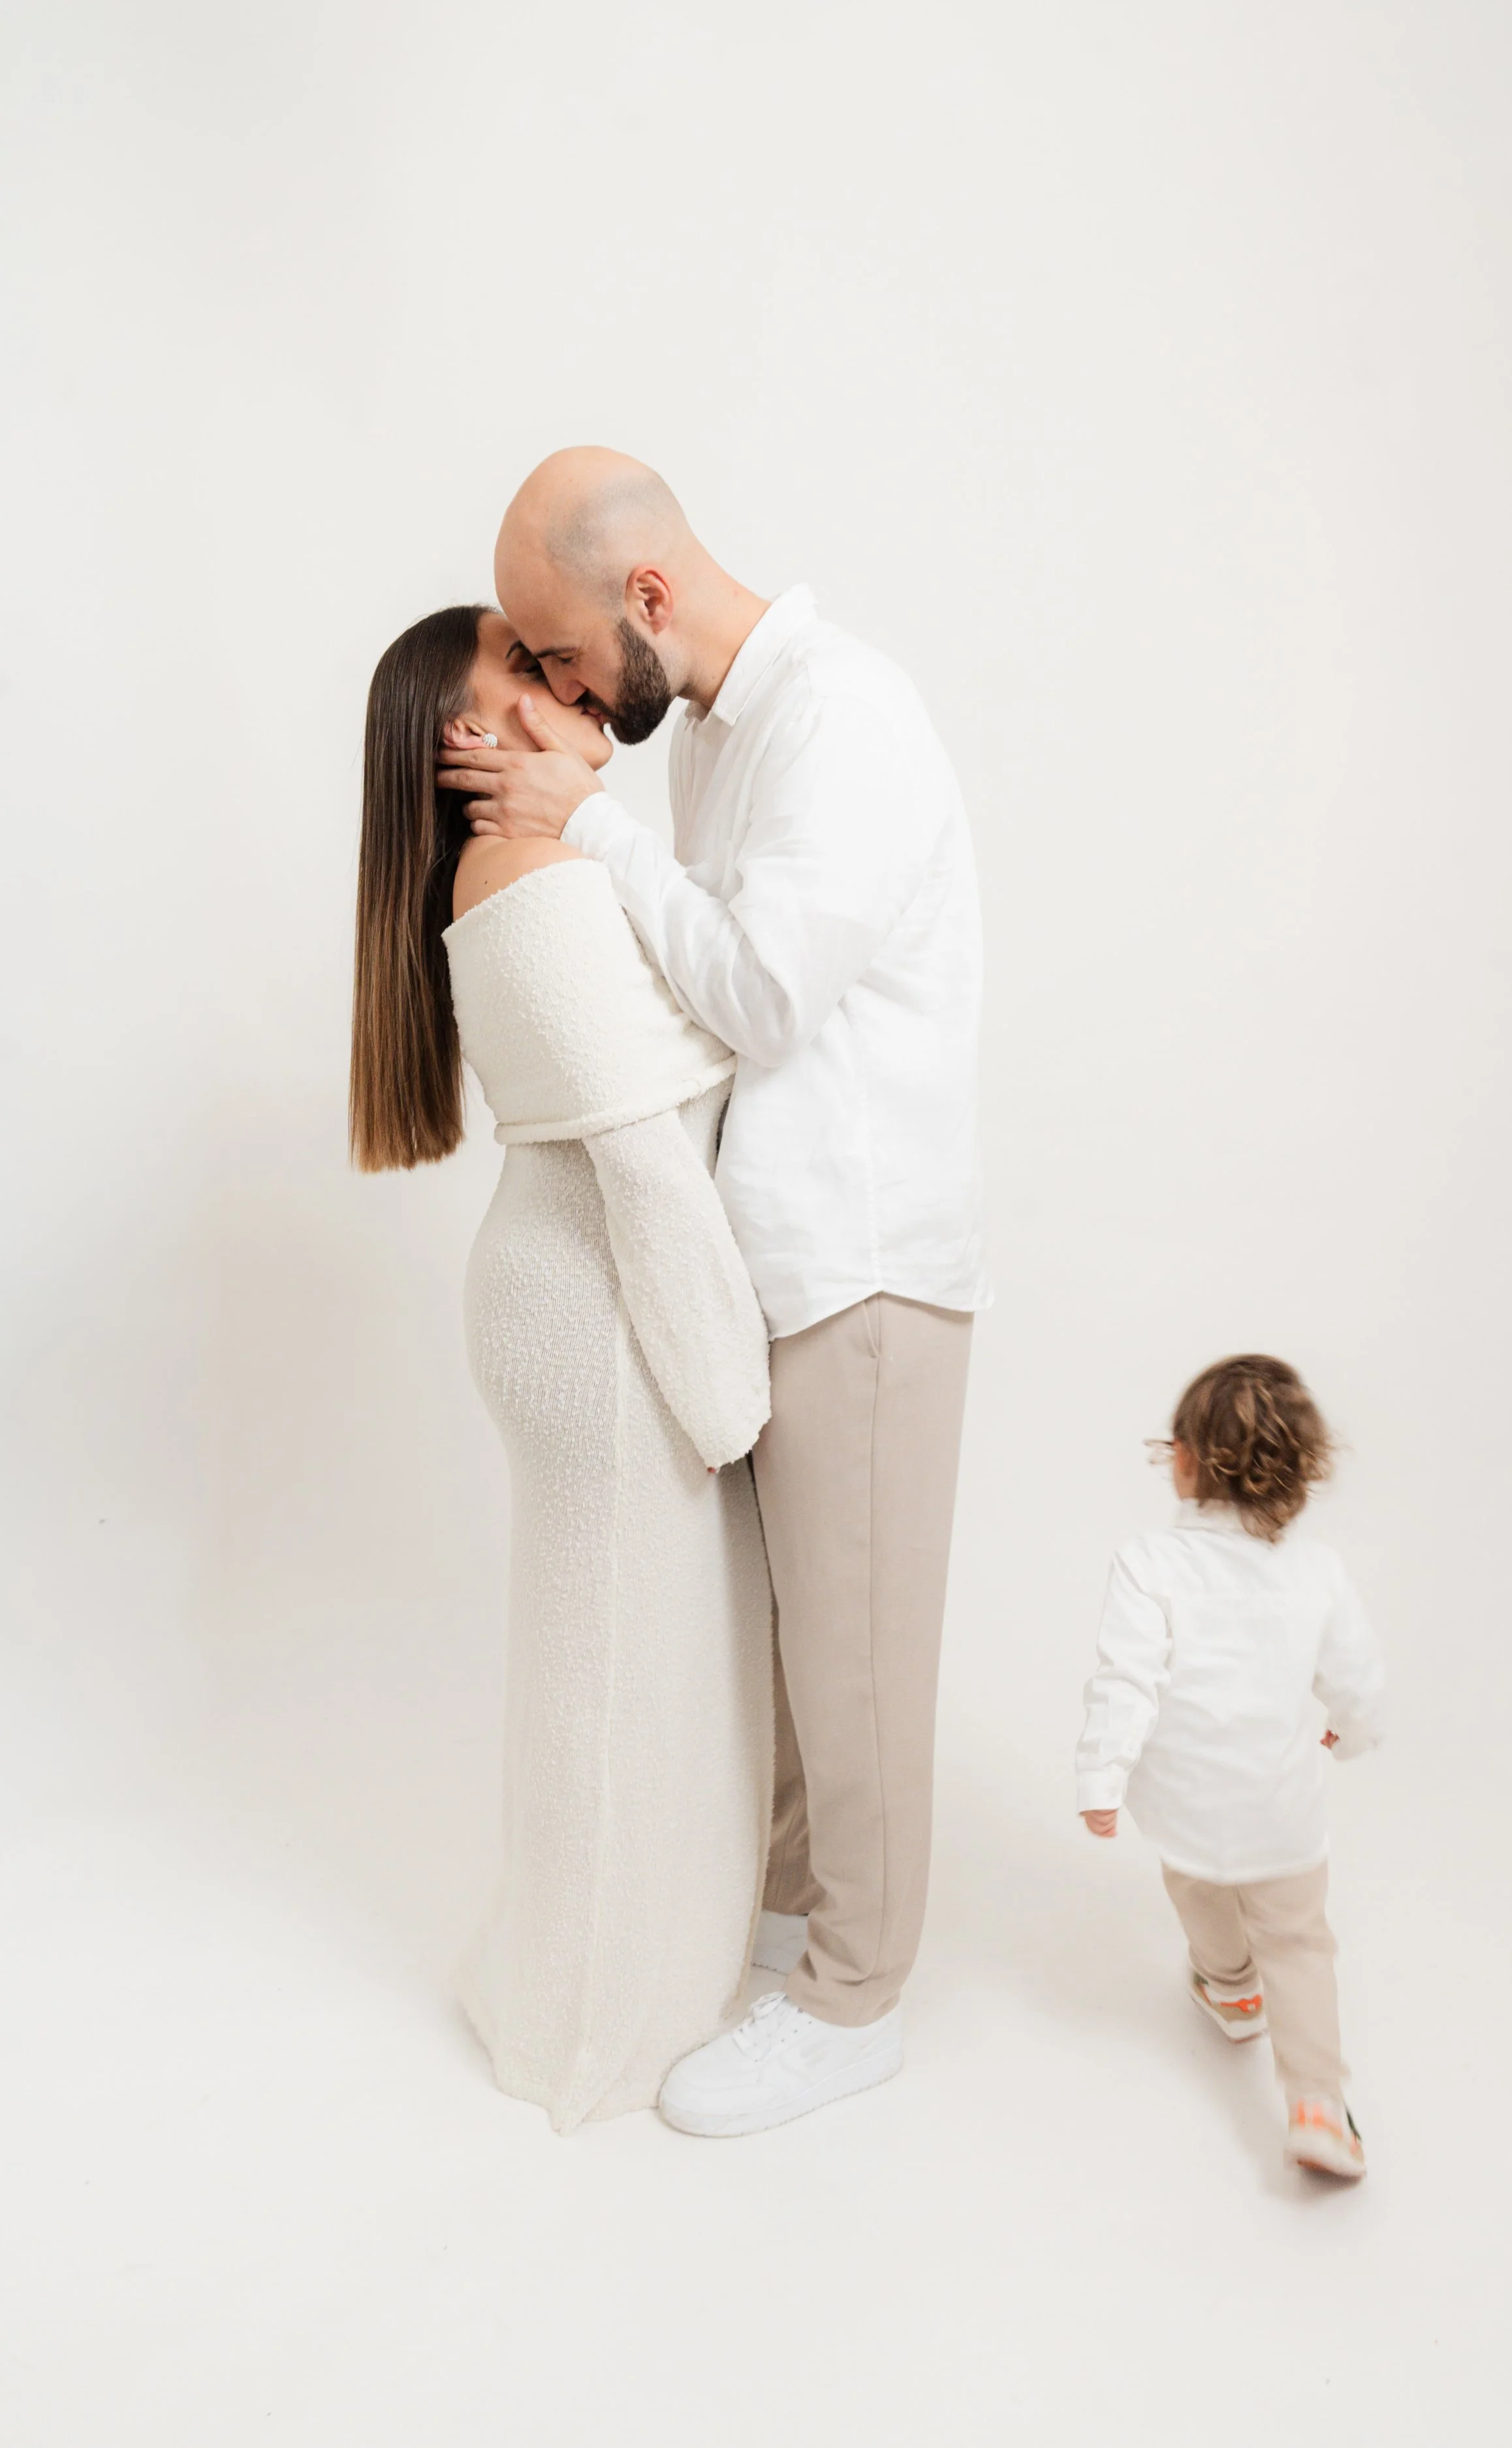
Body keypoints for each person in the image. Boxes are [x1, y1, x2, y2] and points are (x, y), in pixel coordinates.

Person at [438, 448, 990, 2135]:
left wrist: (587, 826)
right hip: (781, 1254)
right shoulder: (734, 740)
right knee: (796, 1645)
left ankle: (852, 1997)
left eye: (556, 656)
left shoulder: (844, 718)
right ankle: (785, 1925)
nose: (552, 693)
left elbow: (752, 994)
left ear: (646, 602)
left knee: (858, 1658)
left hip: (865, 1257)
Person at [351, 603, 774, 2133]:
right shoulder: (524, 873)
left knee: (620, 1667)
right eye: (518, 676)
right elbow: (643, 1165)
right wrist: (737, 1402)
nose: (562, 683)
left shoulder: (552, 854)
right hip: (597, 1308)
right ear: (464, 742)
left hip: (591, 1292)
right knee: (610, 1677)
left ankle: (592, 1980)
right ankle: (575, 2033)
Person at [1076, 1355, 1385, 2180]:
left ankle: (1230, 1987)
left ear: (1182, 1459)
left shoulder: (1147, 1562)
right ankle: (1318, 2104)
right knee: (1299, 1944)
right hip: (1281, 1814)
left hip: (1182, 1807)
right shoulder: (1316, 1571)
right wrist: (1350, 1738)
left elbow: (1124, 1680)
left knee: (1199, 1888)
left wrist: (1100, 1779)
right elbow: (1355, 1681)